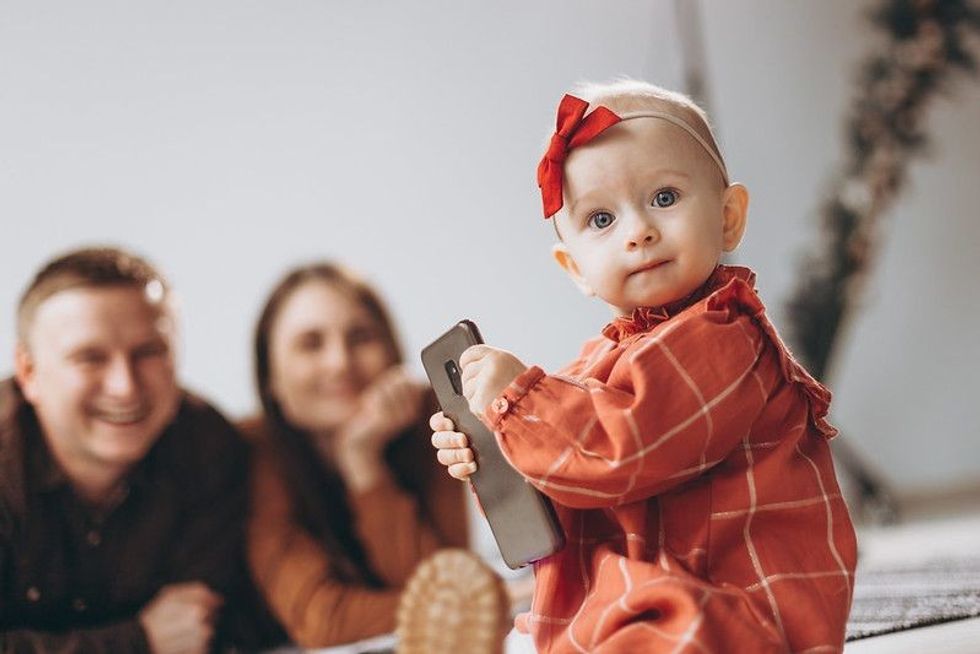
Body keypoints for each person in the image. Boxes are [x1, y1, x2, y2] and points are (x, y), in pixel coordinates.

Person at [430, 80, 858, 653]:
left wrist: (523, 402)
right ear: (575, 269)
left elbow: (622, 451)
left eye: (664, 197)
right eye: (601, 219)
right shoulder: (593, 365)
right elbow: (573, 482)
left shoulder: (725, 335)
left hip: (734, 601)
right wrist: (496, 450)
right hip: (647, 583)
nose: (639, 232)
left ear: (728, 217)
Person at [0, 246, 249, 653]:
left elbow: (199, 629)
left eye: (149, 352)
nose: (125, 387)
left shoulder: (207, 447)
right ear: (29, 373)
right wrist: (137, 641)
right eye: (90, 358)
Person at [244, 262, 472, 649]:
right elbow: (323, 621)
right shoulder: (254, 450)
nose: (340, 362)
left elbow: (444, 580)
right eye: (311, 344)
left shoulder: (431, 419)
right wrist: (464, 604)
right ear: (271, 380)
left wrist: (363, 461)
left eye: (360, 337)